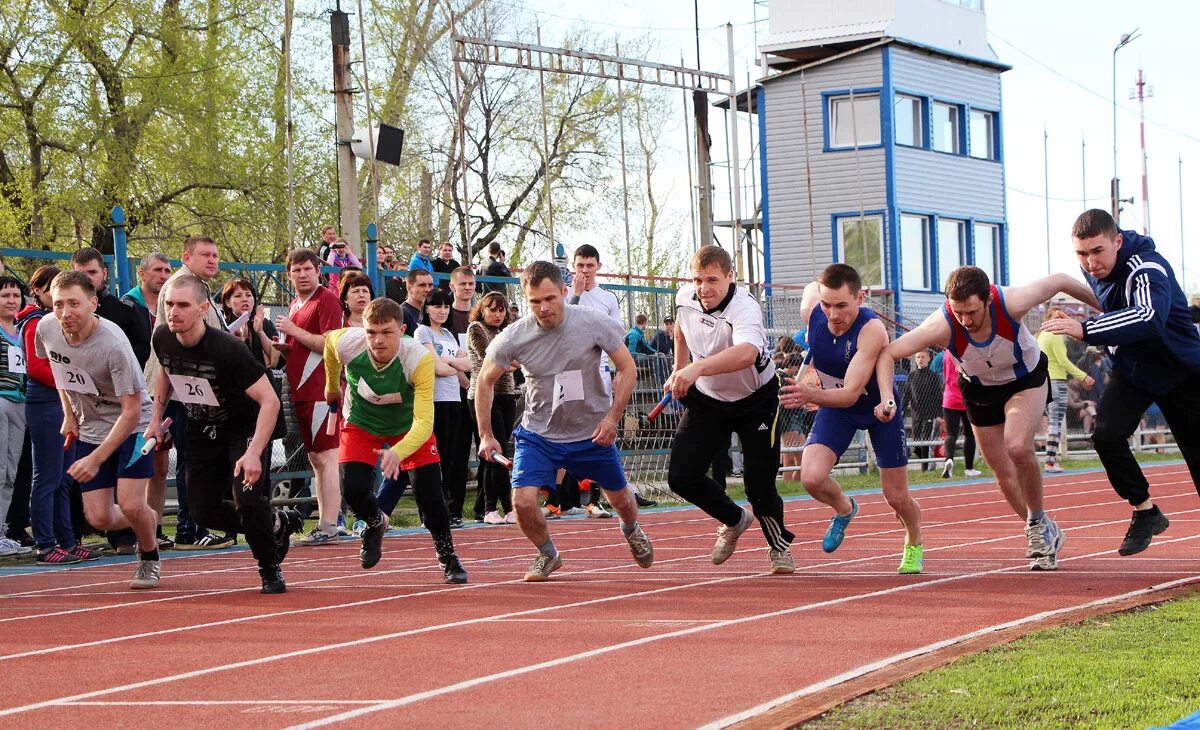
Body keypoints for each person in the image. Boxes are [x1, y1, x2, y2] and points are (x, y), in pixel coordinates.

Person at [876, 265, 1101, 570]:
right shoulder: (941, 325)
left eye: (972, 312)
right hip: (979, 389)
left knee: (1018, 446)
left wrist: (1109, 312)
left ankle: (1036, 523)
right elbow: (889, 354)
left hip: (1025, 379)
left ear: (987, 300)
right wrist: (887, 396)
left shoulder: (1011, 302)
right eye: (958, 313)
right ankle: (1043, 529)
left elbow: (1060, 280)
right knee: (1002, 473)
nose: (965, 321)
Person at [475, 261, 653, 581]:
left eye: (549, 299)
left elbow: (628, 369)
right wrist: (486, 435)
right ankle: (547, 553)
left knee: (622, 500)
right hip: (539, 433)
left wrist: (613, 418)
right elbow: (484, 381)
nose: (543, 308)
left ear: (563, 291)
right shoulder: (513, 337)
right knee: (523, 502)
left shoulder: (594, 323)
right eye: (534, 302)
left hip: (591, 431)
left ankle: (632, 529)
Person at [1040, 209, 1200, 556]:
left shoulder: (1147, 267)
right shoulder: (1095, 270)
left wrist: (1085, 329)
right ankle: (1146, 511)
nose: (1090, 262)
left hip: (1182, 373)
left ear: (1118, 241)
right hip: (1135, 372)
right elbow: (1099, 298)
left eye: (1097, 251)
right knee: (1106, 436)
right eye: (1081, 254)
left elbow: (1147, 317)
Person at [147, 276, 303, 593]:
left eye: (183, 305)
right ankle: (277, 523)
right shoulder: (162, 337)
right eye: (169, 304)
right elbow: (166, 369)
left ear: (203, 309)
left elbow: (270, 400)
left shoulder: (227, 349)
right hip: (201, 428)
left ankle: (268, 566)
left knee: (246, 499)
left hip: (243, 427)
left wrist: (254, 452)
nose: (173, 311)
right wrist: (155, 418)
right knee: (202, 509)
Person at [780, 265, 923, 573]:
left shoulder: (871, 330)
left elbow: (850, 393)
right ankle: (845, 508)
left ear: (861, 298)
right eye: (826, 304)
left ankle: (914, 539)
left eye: (842, 306)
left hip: (874, 408)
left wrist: (808, 394)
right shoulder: (812, 311)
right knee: (811, 478)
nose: (832, 314)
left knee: (896, 497)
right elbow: (809, 291)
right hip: (835, 408)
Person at [665, 245, 795, 574]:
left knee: (758, 484)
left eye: (712, 280)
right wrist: (680, 368)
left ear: (729, 277)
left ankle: (778, 547)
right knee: (681, 476)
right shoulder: (684, 298)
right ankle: (734, 519)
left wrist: (697, 369)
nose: (704, 288)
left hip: (756, 400)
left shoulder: (744, 307)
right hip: (708, 399)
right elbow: (680, 330)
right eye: (697, 280)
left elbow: (747, 353)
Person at [324, 297, 468, 583]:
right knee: (352, 489)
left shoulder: (418, 359)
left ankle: (447, 555)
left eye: (386, 332)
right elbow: (329, 345)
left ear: (401, 330)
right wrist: (332, 386)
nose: (377, 341)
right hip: (362, 422)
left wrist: (398, 452)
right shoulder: (347, 342)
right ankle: (376, 522)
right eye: (371, 332)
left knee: (429, 497)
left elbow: (425, 423)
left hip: (408, 426)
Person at [35, 271, 160, 588]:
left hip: (134, 427)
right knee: (99, 518)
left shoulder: (114, 344)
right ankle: (147, 518)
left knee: (131, 503)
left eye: (74, 304)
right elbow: (59, 369)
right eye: (59, 304)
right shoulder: (47, 328)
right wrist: (70, 414)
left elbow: (131, 411)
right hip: (91, 427)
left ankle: (149, 555)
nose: (65, 313)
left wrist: (94, 459)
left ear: (93, 304)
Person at [145, 236, 232, 550]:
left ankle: (175, 528)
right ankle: (189, 529)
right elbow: (179, 343)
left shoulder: (195, 286)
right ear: (187, 256)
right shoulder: (182, 287)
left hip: (185, 383)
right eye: (205, 254)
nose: (212, 260)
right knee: (191, 459)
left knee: (186, 459)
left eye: (216, 255)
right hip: (179, 385)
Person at [17, 266, 94, 563]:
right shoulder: (38, 324)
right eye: (53, 292)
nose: (59, 299)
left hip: (68, 403)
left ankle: (67, 539)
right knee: (47, 476)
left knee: (65, 478)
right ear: (38, 291)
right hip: (46, 403)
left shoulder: (66, 326)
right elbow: (37, 368)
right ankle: (45, 544)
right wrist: (75, 377)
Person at [277, 248, 345, 546]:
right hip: (298, 389)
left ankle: (330, 523)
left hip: (321, 388)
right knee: (316, 459)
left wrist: (294, 332)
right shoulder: (295, 303)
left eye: (307, 269)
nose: (302, 275)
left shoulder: (326, 300)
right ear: (289, 274)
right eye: (296, 270)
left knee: (326, 457)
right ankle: (325, 522)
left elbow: (331, 344)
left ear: (318, 270)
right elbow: (300, 345)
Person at [414, 288, 472, 527]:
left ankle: (448, 510)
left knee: (450, 456)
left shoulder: (448, 333)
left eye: (446, 307)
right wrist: (452, 364)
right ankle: (428, 512)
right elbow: (436, 368)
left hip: (454, 400)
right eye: (437, 306)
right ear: (426, 308)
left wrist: (451, 364)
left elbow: (468, 363)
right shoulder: (422, 332)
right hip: (433, 401)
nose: (442, 311)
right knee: (433, 458)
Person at [466, 291, 516, 524]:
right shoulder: (476, 329)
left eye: (501, 310)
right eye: (492, 309)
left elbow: (516, 357)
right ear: (482, 309)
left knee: (499, 450)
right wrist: (516, 363)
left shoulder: (505, 332)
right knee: (495, 453)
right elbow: (493, 358)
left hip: (507, 395)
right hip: (484, 395)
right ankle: (498, 508)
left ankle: (484, 508)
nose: (497, 314)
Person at [1037, 306, 1094, 473]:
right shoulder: (1054, 336)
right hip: (1056, 381)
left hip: (1044, 382)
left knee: (1051, 423)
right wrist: (1083, 376)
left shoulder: (1041, 336)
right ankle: (1050, 461)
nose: (1061, 320)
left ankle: (1049, 459)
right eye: (1058, 317)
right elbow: (1063, 360)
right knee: (1055, 422)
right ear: (1050, 319)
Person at [0, 277, 29, 558]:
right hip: (1, 401)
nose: (11, 300)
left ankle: (2, 532)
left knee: (11, 471)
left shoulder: (22, 330)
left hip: (20, 402)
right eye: (5, 295)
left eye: (16, 295)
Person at [219, 278, 281, 369]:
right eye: (238, 296)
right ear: (228, 303)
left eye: (248, 295)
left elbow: (278, 362)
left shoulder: (265, 323)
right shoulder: (223, 326)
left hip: (263, 379)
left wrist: (260, 333)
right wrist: (241, 341)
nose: (245, 299)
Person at [904, 349, 943, 473]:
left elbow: (939, 396)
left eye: (922, 357)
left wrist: (939, 415)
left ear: (928, 358)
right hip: (916, 414)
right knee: (916, 445)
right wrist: (902, 412)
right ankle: (928, 463)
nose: (920, 360)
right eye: (918, 357)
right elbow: (907, 395)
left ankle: (925, 468)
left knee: (926, 442)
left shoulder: (934, 376)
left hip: (930, 414)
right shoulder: (911, 376)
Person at [940, 354, 980, 478]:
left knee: (951, 434)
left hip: (950, 396)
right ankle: (969, 468)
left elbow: (945, 373)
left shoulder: (947, 353)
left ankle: (949, 459)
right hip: (967, 396)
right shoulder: (967, 350)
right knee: (969, 433)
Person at [402, 269, 434, 337]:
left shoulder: (433, 312)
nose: (428, 289)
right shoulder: (402, 313)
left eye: (430, 285)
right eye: (422, 285)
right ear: (409, 288)